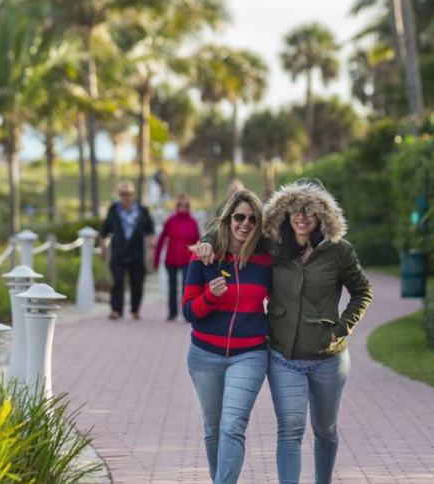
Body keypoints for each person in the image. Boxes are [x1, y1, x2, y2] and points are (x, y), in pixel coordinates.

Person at [197, 178, 372, 484]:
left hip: (328, 358)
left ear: (321, 215)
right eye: (294, 210)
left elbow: (362, 290)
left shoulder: (339, 251)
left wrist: (343, 327)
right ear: (286, 214)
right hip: (283, 357)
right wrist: (210, 238)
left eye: (309, 210)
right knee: (290, 431)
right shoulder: (274, 246)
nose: (301, 216)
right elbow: (238, 228)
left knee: (325, 430)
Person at [182, 189, 271, 484]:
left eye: (252, 218)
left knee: (232, 425)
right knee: (214, 427)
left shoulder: (265, 259)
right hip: (204, 355)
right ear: (228, 218)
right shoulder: (205, 258)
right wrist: (209, 296)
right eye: (239, 217)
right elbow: (188, 311)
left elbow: (284, 298)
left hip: (250, 354)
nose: (245, 223)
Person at [100, 180, 155, 320]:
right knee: (117, 281)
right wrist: (103, 249)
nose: (127, 197)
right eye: (124, 194)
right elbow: (104, 231)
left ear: (134, 194)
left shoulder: (142, 210)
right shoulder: (113, 210)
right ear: (120, 195)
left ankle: (135, 309)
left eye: (130, 193)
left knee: (137, 282)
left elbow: (150, 231)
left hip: (136, 252)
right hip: (118, 251)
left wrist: (151, 249)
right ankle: (116, 310)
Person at [153, 193, 201, 321]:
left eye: (185, 205)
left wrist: (201, 260)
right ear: (177, 206)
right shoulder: (170, 221)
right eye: (180, 205)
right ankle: (172, 312)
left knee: (187, 288)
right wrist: (156, 259)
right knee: (172, 287)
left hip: (188, 260)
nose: (183, 207)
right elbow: (162, 240)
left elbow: (199, 241)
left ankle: (186, 313)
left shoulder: (193, 222)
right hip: (171, 260)